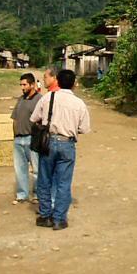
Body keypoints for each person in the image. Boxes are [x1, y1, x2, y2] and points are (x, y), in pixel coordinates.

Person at [30, 69, 90, 230]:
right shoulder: (79, 103)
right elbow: (84, 128)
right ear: (74, 84)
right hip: (67, 144)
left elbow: (34, 118)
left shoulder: (47, 97)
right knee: (63, 183)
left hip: (48, 142)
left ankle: (45, 215)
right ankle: (59, 219)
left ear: (58, 81)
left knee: (44, 180)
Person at [11, 73, 42, 204]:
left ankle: (37, 194)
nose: (22, 87)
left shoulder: (40, 100)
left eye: (24, 84)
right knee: (20, 169)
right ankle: (22, 194)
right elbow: (15, 119)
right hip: (18, 139)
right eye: (21, 85)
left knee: (36, 169)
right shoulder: (20, 99)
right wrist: (15, 135)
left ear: (32, 85)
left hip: (32, 138)